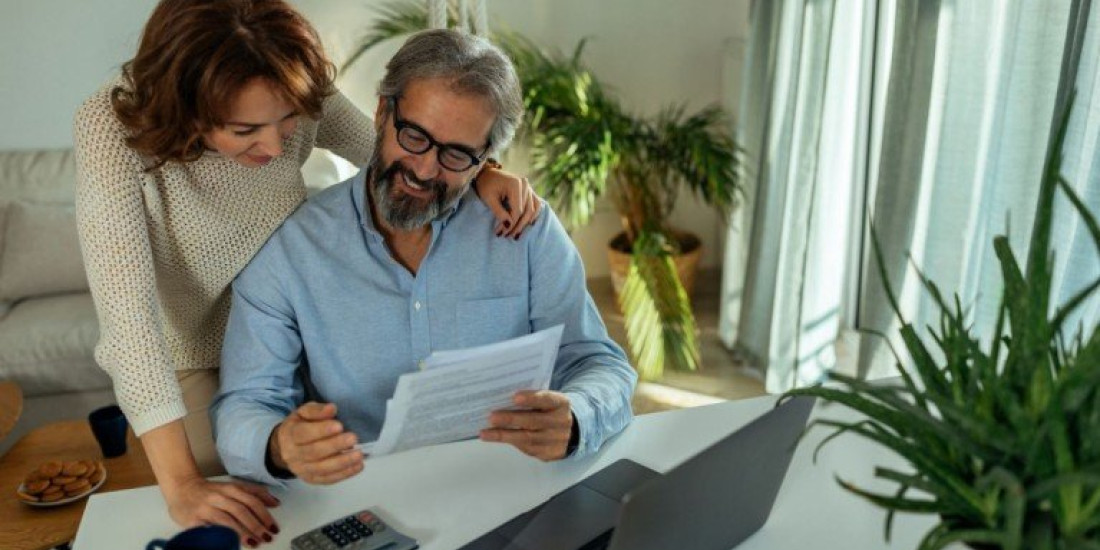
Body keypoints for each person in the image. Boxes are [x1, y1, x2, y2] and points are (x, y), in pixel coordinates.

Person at [73, 1, 540, 546]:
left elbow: (394, 151)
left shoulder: (291, 80)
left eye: (289, 120)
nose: (276, 147)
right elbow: (129, 321)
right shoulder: (110, 127)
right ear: (186, 108)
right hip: (193, 350)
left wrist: (478, 172)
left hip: (293, 323)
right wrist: (181, 485)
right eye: (245, 128)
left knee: (334, 483)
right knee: (236, 500)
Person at [210, 29, 637, 490]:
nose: (425, 169)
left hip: (512, 486)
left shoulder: (524, 230)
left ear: (485, 160)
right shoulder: (291, 250)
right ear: (381, 112)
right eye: (414, 136)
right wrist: (278, 445)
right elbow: (244, 405)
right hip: (364, 496)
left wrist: (575, 415)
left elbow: (600, 363)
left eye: (457, 154)